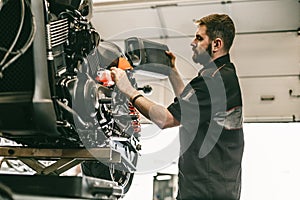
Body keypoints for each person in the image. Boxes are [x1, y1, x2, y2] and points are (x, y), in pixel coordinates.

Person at [111, 13, 244, 200]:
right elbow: (190, 109)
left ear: (216, 44)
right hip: (213, 189)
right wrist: (172, 71)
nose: (192, 42)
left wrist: (128, 90)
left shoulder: (213, 82)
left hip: (206, 193)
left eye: (199, 38)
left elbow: (165, 119)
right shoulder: (223, 76)